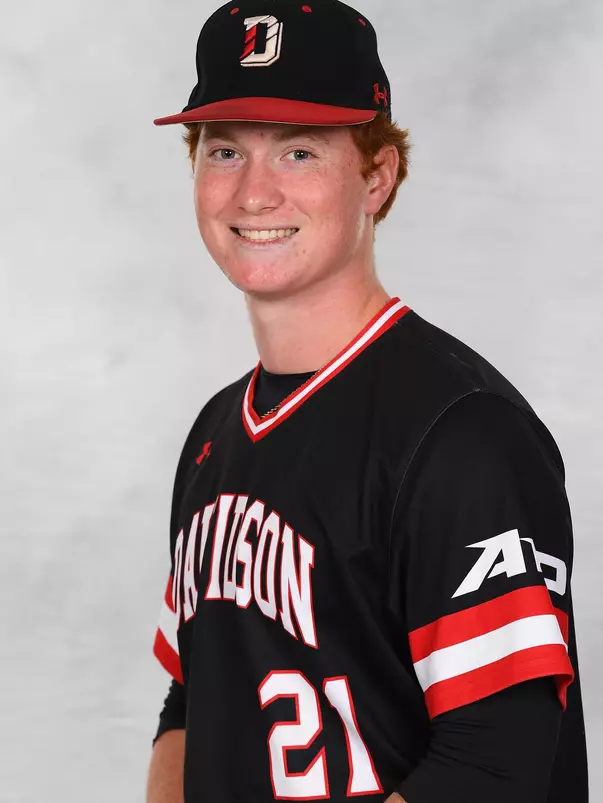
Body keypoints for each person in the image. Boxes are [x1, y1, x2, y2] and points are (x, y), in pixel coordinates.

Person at [146, 1, 589, 801]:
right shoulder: (213, 434)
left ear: (376, 177)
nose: (253, 193)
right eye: (223, 152)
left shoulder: (460, 431)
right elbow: (191, 697)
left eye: (300, 152)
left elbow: (494, 764)